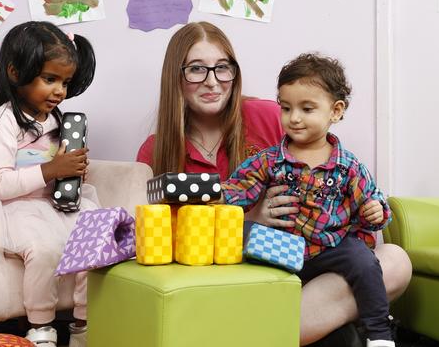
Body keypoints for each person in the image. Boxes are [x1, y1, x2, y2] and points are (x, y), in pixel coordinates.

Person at [136, 21, 411, 346]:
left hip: (308, 260)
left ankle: (268, 333)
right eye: (196, 69)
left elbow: (338, 176)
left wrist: (367, 211)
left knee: (394, 260)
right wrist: (249, 220)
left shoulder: (270, 116)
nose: (212, 81)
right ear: (176, 77)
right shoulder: (156, 149)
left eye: (222, 68)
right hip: (236, 274)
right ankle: (295, 330)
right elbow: (157, 236)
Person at [222, 53, 396, 347]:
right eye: (286, 108)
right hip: (282, 248)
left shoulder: (349, 166)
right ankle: (255, 320)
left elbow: (373, 206)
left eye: (307, 108)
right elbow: (238, 189)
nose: (295, 118)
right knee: (239, 233)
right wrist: (213, 197)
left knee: (365, 261)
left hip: (332, 247)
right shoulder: (270, 160)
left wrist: (375, 212)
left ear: (336, 111)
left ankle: (379, 333)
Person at [0, 21, 97, 347]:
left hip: (57, 205)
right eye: (50, 79)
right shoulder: (1, 120)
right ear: (16, 73)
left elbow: (59, 170)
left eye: (66, 82)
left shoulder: (59, 120)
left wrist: (73, 173)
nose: (60, 91)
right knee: (43, 250)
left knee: (96, 239)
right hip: (20, 209)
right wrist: (50, 169)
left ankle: (84, 323)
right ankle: (42, 328)